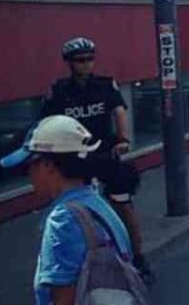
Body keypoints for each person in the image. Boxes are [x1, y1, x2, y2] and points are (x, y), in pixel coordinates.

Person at [41, 37, 153, 283]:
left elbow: (119, 111)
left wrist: (123, 138)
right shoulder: (59, 90)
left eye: (90, 59)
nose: (86, 64)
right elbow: (47, 124)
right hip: (75, 159)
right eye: (80, 60)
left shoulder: (105, 85)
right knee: (73, 210)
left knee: (122, 204)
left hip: (104, 153)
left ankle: (139, 257)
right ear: (69, 63)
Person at [1, 115, 134, 305]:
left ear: (48, 165)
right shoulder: (98, 203)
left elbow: (63, 298)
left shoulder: (63, 221)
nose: (28, 175)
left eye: (29, 166)